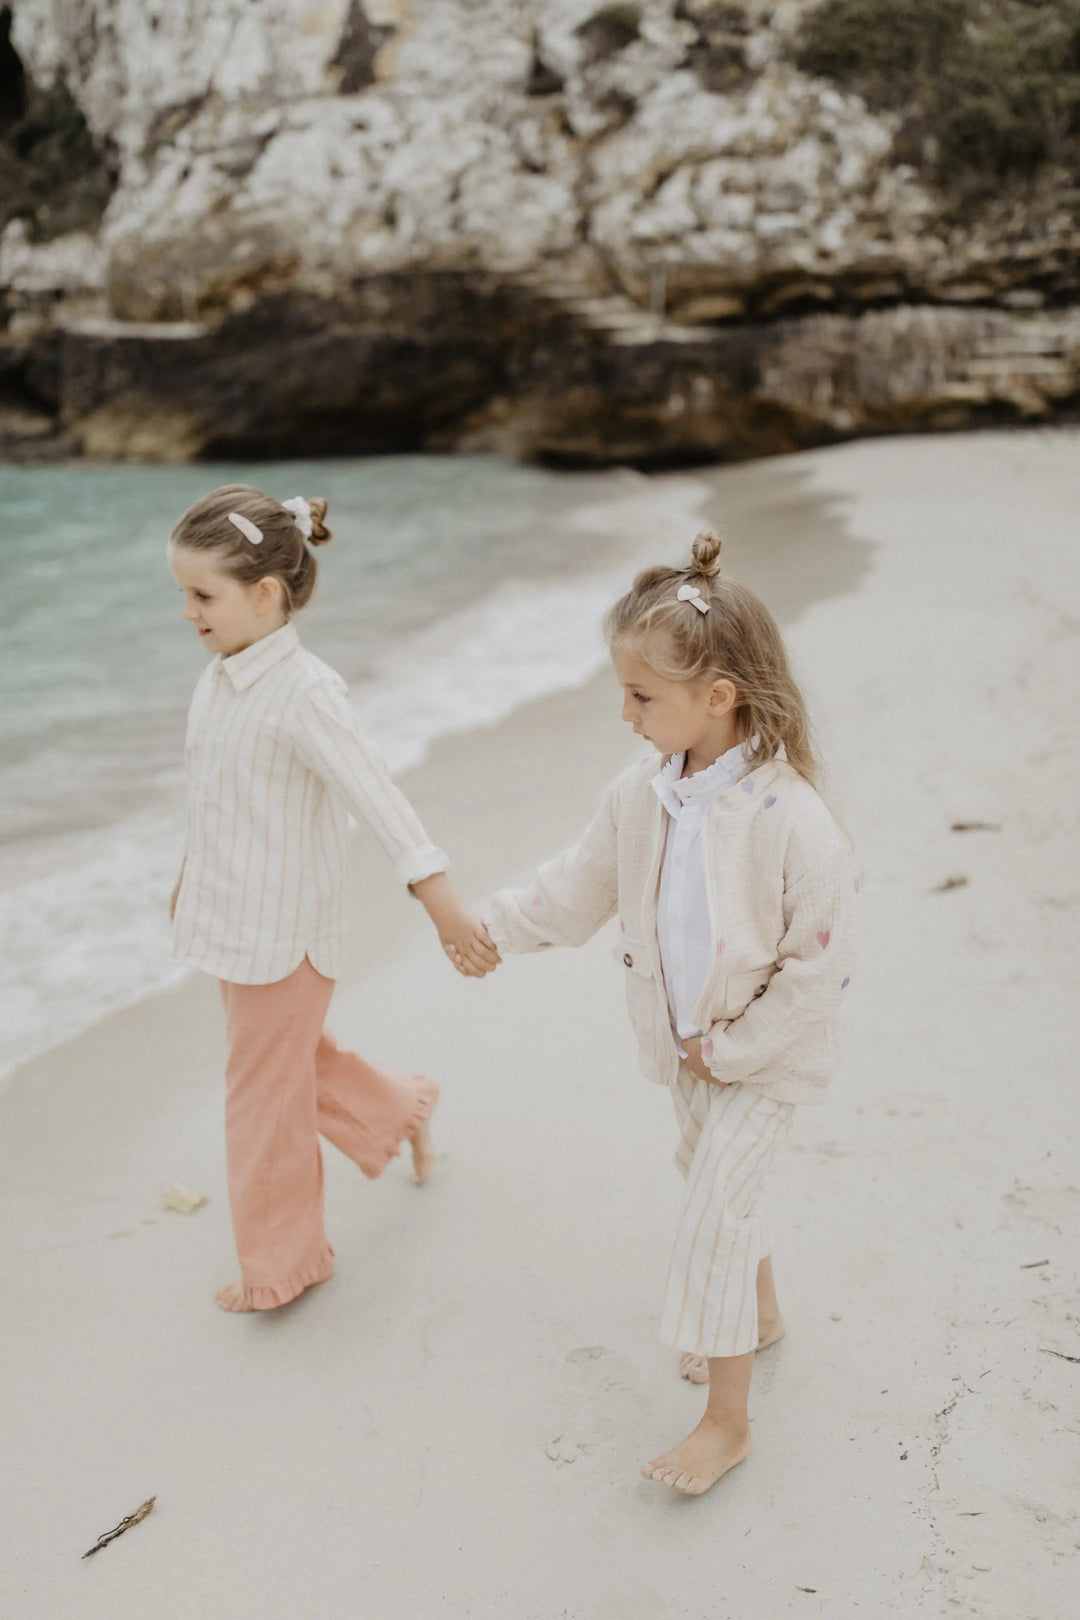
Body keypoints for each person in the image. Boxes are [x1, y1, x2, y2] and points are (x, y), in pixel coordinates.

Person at [483, 531, 856, 1495]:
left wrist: (736, 1049)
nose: (625, 714)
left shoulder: (794, 822)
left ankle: (726, 1423)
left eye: (642, 697)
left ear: (718, 695)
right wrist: (489, 932)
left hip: (760, 1059)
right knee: (713, 1185)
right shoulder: (641, 799)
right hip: (684, 1054)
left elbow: (815, 974)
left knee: (711, 1217)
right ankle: (760, 1317)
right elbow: (576, 890)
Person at [167, 483, 497, 1313]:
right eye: (184, 595)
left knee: (260, 1104)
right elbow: (215, 801)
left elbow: (378, 797)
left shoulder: (306, 693)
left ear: (267, 595)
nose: (188, 613)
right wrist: (187, 893)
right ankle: (402, 1109)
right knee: (289, 1068)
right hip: (231, 928)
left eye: (202, 595)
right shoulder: (221, 676)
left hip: (287, 939)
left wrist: (440, 898)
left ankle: (283, 1265)